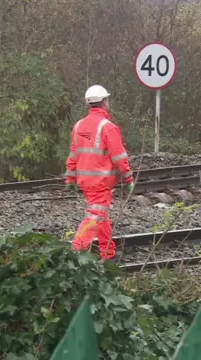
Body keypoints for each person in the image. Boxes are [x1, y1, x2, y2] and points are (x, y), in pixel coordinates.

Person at [64, 85, 135, 262]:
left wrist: (71, 178)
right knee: (94, 217)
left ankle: (108, 253)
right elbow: (119, 157)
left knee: (101, 216)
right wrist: (128, 178)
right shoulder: (108, 127)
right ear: (104, 102)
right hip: (100, 182)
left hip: (85, 181)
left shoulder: (79, 126)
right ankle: (75, 254)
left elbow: (73, 155)